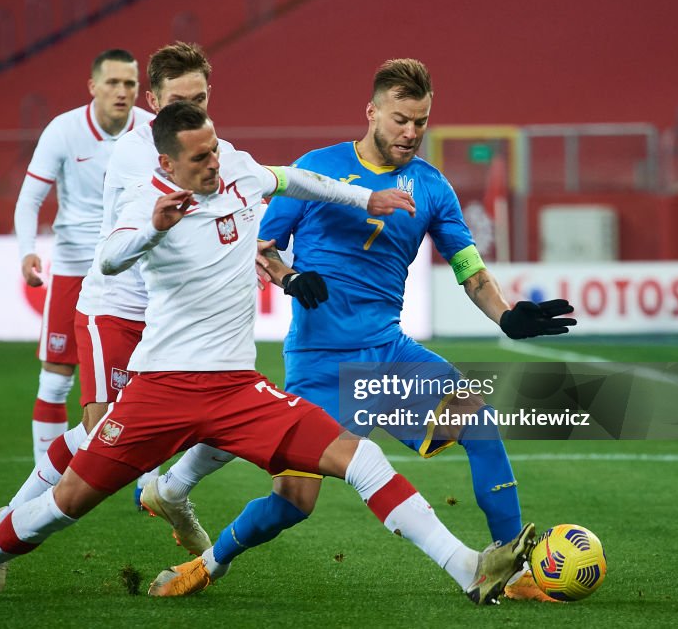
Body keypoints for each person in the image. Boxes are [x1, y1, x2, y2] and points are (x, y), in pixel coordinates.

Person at [0, 100, 536, 606]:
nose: (213, 165)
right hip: (161, 389)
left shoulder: (242, 170)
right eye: (199, 159)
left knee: (357, 455)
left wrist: (367, 195)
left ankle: (467, 567)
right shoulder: (146, 203)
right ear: (168, 164)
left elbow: (304, 182)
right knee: (66, 502)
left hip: (235, 388)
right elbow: (109, 255)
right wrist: (149, 233)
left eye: (214, 150)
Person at [152, 59, 576, 600]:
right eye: (401, 119)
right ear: (372, 112)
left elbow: (469, 267)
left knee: (480, 423)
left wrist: (507, 314)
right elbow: (258, 245)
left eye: (421, 122)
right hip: (319, 361)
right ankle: (209, 564)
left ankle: (511, 572)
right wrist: (289, 276)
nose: (411, 132)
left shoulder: (433, 188)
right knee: (293, 502)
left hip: (389, 354)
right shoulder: (318, 168)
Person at [0, 42, 254, 595]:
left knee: (187, 415)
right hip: (115, 306)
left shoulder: (203, 150)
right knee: (104, 431)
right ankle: (7, 526)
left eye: (199, 100)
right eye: (179, 101)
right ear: (154, 101)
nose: (190, 113)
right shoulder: (136, 152)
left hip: (163, 316)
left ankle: (166, 491)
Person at [13, 49, 153, 465]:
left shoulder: (151, 130)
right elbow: (30, 199)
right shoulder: (64, 130)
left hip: (135, 269)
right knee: (55, 382)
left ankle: (147, 482)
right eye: (112, 82)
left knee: (149, 379)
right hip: (76, 267)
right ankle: (45, 476)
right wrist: (27, 253)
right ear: (93, 86)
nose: (122, 91)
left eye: (129, 83)